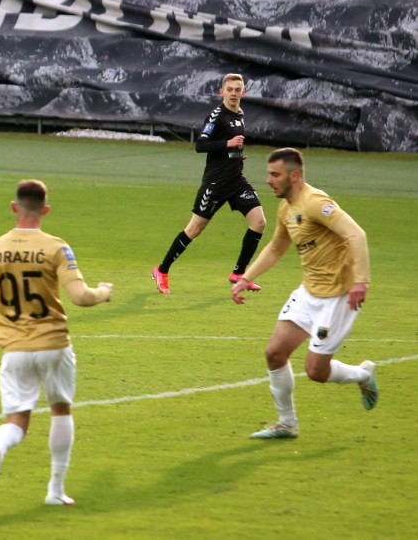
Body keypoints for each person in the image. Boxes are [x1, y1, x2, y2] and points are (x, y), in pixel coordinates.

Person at [0, 179, 113, 506]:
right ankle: (55, 491)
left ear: (13, 208)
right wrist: (104, 292)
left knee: (17, 420)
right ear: (45, 210)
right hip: (53, 345)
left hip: (15, 349)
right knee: (60, 409)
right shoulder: (56, 247)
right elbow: (80, 296)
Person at [231, 147, 378, 439]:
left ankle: (364, 374)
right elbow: (276, 248)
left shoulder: (315, 202)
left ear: (294, 175)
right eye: (269, 174)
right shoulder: (286, 208)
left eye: (275, 174)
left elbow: (356, 234)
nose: (269, 180)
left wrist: (361, 281)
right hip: (309, 292)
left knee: (316, 371)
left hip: (338, 297)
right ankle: (287, 423)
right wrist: (246, 277)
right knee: (274, 353)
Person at [151, 73, 266, 294]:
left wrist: (236, 154)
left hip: (236, 180)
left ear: (244, 92)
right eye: (229, 89)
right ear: (221, 92)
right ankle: (162, 270)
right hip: (216, 183)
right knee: (194, 229)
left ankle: (239, 273)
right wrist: (228, 143)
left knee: (259, 222)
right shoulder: (216, 116)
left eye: (237, 89)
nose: (233, 93)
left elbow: (230, 148)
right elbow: (201, 145)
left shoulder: (240, 113)